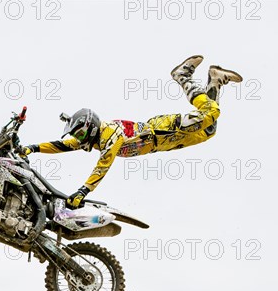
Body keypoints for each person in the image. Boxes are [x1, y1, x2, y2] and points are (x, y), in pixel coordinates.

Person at [20, 55, 243, 208]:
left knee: (211, 113)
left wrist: (82, 192)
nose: (78, 140)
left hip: (161, 129)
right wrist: (33, 148)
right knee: (209, 130)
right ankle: (215, 80)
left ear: (90, 127)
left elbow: (103, 165)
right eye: (77, 136)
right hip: (162, 143)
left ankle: (182, 76)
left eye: (79, 134)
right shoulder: (96, 139)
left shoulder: (109, 135)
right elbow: (62, 146)